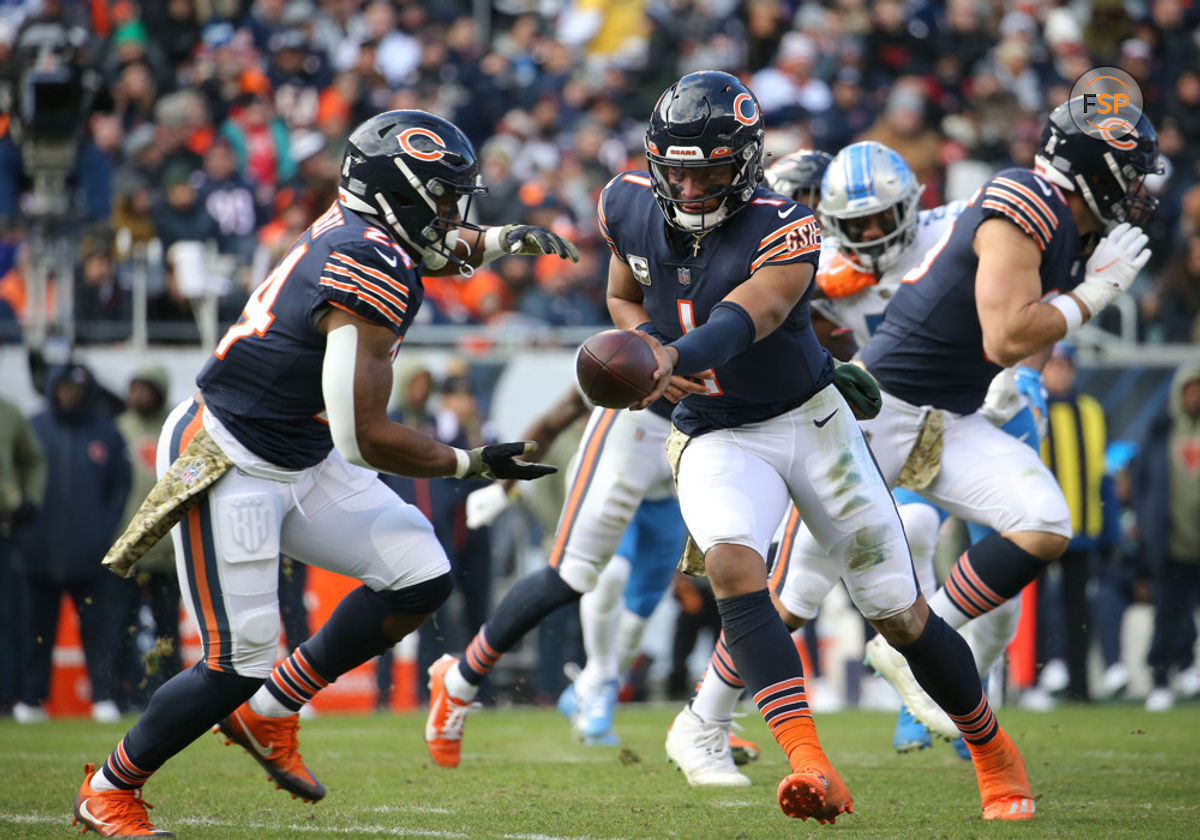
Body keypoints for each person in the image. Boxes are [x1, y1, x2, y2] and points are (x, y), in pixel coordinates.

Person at [434, 71, 1031, 823]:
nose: (684, 187)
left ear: (744, 165)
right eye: (674, 169)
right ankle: (810, 765)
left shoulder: (786, 225)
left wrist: (670, 358)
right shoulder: (627, 203)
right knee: (731, 563)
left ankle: (995, 755)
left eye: (705, 170)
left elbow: (747, 316)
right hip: (714, 431)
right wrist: (649, 341)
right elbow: (624, 295)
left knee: (897, 612)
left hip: (810, 422)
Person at [72, 109, 574, 838]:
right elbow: (366, 437)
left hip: (299, 451)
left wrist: (498, 242)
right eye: (439, 197)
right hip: (233, 456)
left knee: (419, 574)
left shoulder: (367, 231)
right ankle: (111, 787)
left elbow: (431, 248)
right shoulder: (367, 262)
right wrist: (471, 463)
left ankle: (272, 711)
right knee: (235, 660)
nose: (451, 214)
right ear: (398, 195)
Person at [791, 98, 1158, 744]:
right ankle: (706, 715)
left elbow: (1027, 313)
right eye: (859, 220)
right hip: (885, 408)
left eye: (884, 215)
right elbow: (1014, 323)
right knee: (806, 579)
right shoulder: (812, 271)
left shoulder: (953, 224)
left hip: (973, 406)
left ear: (912, 202)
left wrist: (1025, 374)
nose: (874, 231)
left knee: (1029, 539)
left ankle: (956, 691)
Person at [16, 363, 132, 725]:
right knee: (36, 631)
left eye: (76, 389)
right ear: (52, 389)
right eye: (63, 388)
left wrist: (105, 532)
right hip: (37, 552)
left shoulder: (107, 433)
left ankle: (104, 697)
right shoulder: (33, 429)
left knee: (101, 633)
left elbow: (120, 488)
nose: (70, 395)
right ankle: (31, 700)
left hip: (91, 556)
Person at [1136, 361, 1200, 711]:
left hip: (1197, 544)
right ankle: (1160, 678)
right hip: (1168, 543)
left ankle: (1188, 667)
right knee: (1167, 612)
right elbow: (1144, 483)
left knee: (1187, 612)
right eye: (1190, 389)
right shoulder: (1161, 431)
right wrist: (1147, 530)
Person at [0, 396, 45, 717]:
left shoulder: (9, 411)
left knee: (8, 618)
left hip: (4, 529)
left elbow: (34, 459)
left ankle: (7, 697)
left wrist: (30, 498)